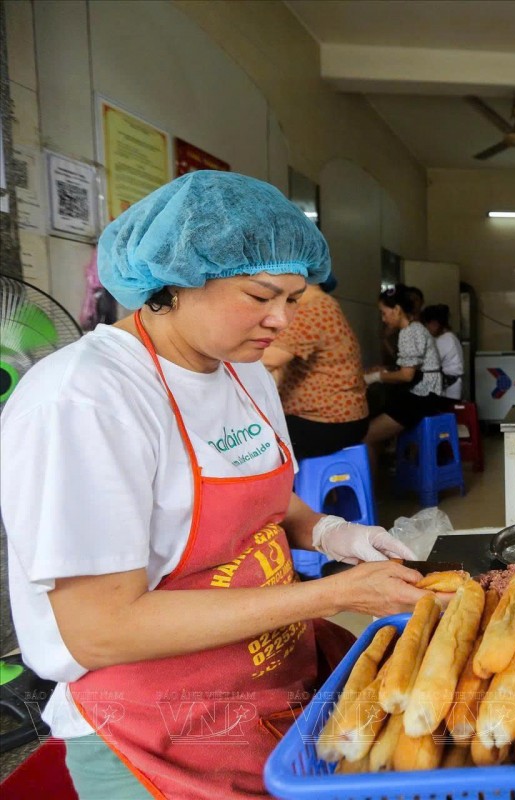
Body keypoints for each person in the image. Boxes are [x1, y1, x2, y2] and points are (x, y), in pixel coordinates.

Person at [0, 171, 433, 799]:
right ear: (173, 283)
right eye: (261, 296)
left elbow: (256, 491)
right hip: (155, 730)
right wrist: (331, 595)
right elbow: (99, 629)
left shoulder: (241, 369)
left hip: (270, 683)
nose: (282, 321)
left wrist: (334, 533)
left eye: (293, 297)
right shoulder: (84, 402)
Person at [263, 274, 371, 460]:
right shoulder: (325, 305)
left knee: (254, 445)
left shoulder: (314, 310)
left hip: (327, 422)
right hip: (342, 419)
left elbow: (268, 359)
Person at [364, 286, 447, 463]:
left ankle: (369, 490)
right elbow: (410, 367)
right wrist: (385, 371)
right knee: (376, 426)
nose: (383, 318)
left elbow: (407, 375)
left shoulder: (410, 332)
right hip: (424, 395)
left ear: (397, 310)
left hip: (421, 398)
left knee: (366, 437)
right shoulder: (415, 329)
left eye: (384, 312)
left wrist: (375, 377)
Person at [420, 303, 465, 401]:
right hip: (451, 384)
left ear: (434, 324)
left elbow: (428, 362)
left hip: (450, 386)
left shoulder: (445, 339)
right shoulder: (450, 337)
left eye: (426, 326)